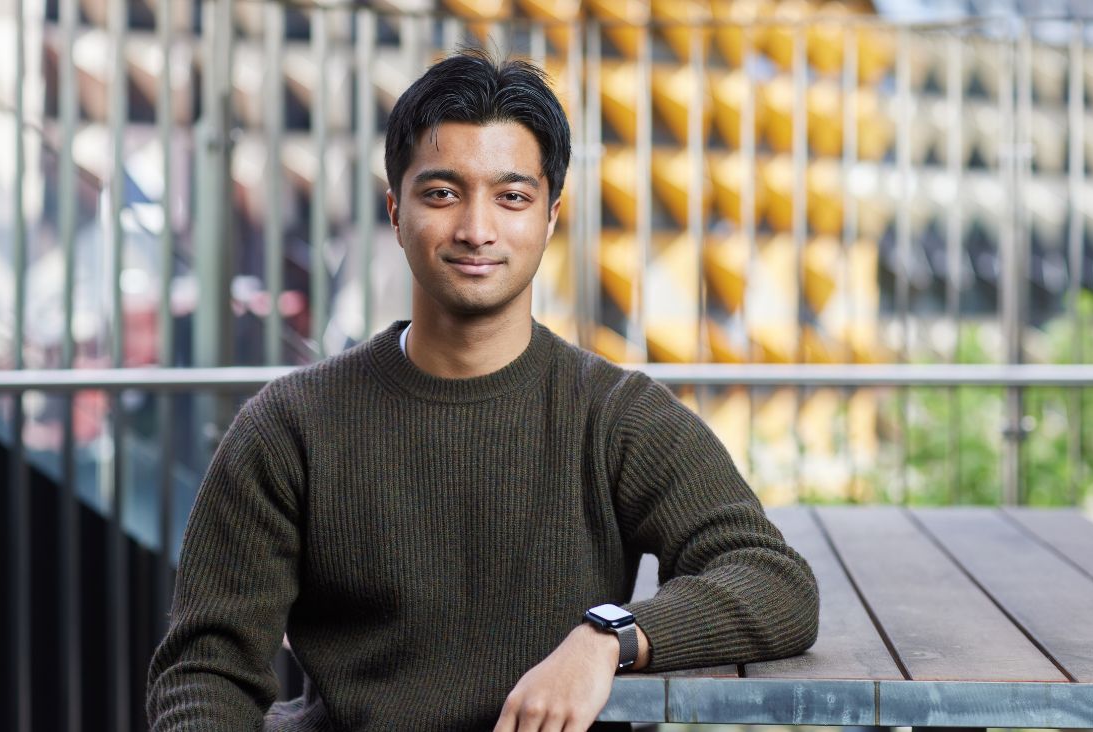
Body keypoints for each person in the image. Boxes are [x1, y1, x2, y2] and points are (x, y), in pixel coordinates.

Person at [147, 50, 819, 732]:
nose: (476, 229)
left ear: (551, 216)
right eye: (442, 193)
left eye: (512, 197)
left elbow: (772, 580)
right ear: (395, 210)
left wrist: (606, 639)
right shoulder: (291, 427)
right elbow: (206, 671)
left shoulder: (615, 416)